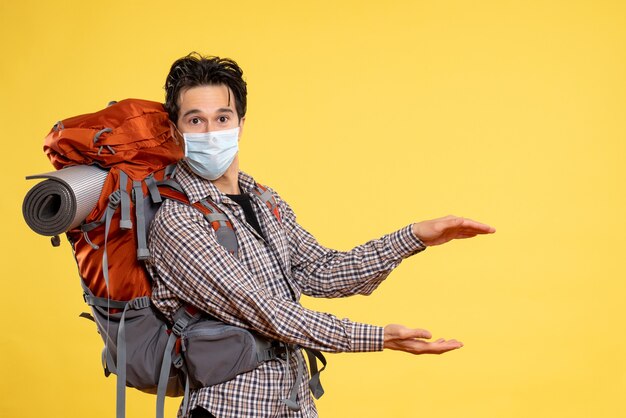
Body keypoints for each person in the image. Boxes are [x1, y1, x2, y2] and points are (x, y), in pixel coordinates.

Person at [146, 52, 495, 418]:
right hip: (230, 409)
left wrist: (413, 237)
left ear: (241, 123)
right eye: (195, 120)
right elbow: (267, 312)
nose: (211, 132)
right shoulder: (177, 221)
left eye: (222, 117)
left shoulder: (263, 199)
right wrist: (378, 337)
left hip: (293, 405)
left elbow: (323, 271)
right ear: (175, 131)